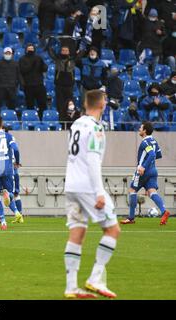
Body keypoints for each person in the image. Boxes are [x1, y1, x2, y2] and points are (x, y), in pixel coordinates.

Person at [63, 89, 121, 299]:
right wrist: (99, 193)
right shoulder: (96, 127)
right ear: (102, 104)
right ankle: (96, 278)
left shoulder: (77, 123)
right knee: (113, 230)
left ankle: (71, 287)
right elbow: (93, 160)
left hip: (71, 184)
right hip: (87, 186)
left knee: (77, 232)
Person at [120, 121, 171, 225]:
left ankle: (131, 218)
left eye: (141, 128)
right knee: (152, 192)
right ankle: (164, 211)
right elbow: (158, 155)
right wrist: (150, 163)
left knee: (132, 190)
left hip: (143, 171)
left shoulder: (145, 142)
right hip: (153, 170)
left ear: (145, 131)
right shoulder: (154, 141)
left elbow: (152, 154)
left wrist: (143, 166)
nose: (139, 129)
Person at [48, 42, 85, 124]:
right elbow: (51, 53)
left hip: (69, 86)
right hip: (59, 85)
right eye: (63, 50)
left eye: (66, 50)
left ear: (69, 52)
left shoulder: (72, 59)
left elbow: (80, 54)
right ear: (61, 51)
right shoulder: (57, 59)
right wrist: (50, 44)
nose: (64, 52)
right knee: (60, 104)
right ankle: (61, 121)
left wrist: (82, 46)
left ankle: (70, 121)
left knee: (70, 104)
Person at [19, 43, 48, 120]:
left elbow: (45, 68)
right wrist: (32, 64)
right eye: (29, 49)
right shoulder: (22, 59)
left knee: (42, 104)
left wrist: (42, 64)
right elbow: (23, 70)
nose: (31, 50)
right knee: (30, 105)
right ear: (26, 50)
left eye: (32, 49)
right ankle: (31, 120)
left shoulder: (38, 58)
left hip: (39, 84)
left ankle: (42, 119)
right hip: (28, 86)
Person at [0, 47, 22, 114]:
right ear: (3, 54)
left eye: (9, 53)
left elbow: (19, 75)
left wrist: (21, 84)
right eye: (6, 53)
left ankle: (11, 119)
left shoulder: (16, 64)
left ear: (12, 54)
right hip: (0, 87)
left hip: (12, 87)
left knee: (12, 105)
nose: (8, 54)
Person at [138, 8, 166, 75]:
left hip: (156, 49)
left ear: (157, 17)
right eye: (151, 16)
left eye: (154, 16)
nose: (152, 18)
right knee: (145, 66)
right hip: (146, 48)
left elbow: (164, 33)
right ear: (148, 16)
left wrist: (161, 32)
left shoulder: (160, 23)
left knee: (155, 67)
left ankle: (154, 80)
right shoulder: (145, 22)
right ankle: (144, 80)